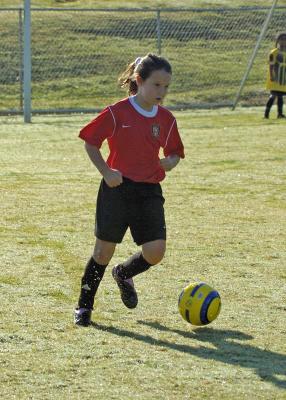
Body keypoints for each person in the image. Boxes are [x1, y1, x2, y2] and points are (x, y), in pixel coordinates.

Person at [74, 53, 185, 326]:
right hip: (118, 188)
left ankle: (124, 273)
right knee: (102, 252)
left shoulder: (167, 119)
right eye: (156, 85)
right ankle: (84, 307)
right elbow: (90, 142)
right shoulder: (116, 112)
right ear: (139, 81)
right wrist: (106, 171)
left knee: (155, 252)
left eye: (166, 86)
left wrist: (169, 162)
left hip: (149, 191)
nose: (162, 92)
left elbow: (174, 153)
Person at [264, 32, 286, 119]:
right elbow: (271, 65)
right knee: (273, 95)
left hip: (283, 78)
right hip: (275, 78)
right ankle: (266, 114)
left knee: (280, 96)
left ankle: (280, 114)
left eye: (285, 39)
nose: (284, 41)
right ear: (278, 41)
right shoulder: (273, 52)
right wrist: (272, 76)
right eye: (282, 39)